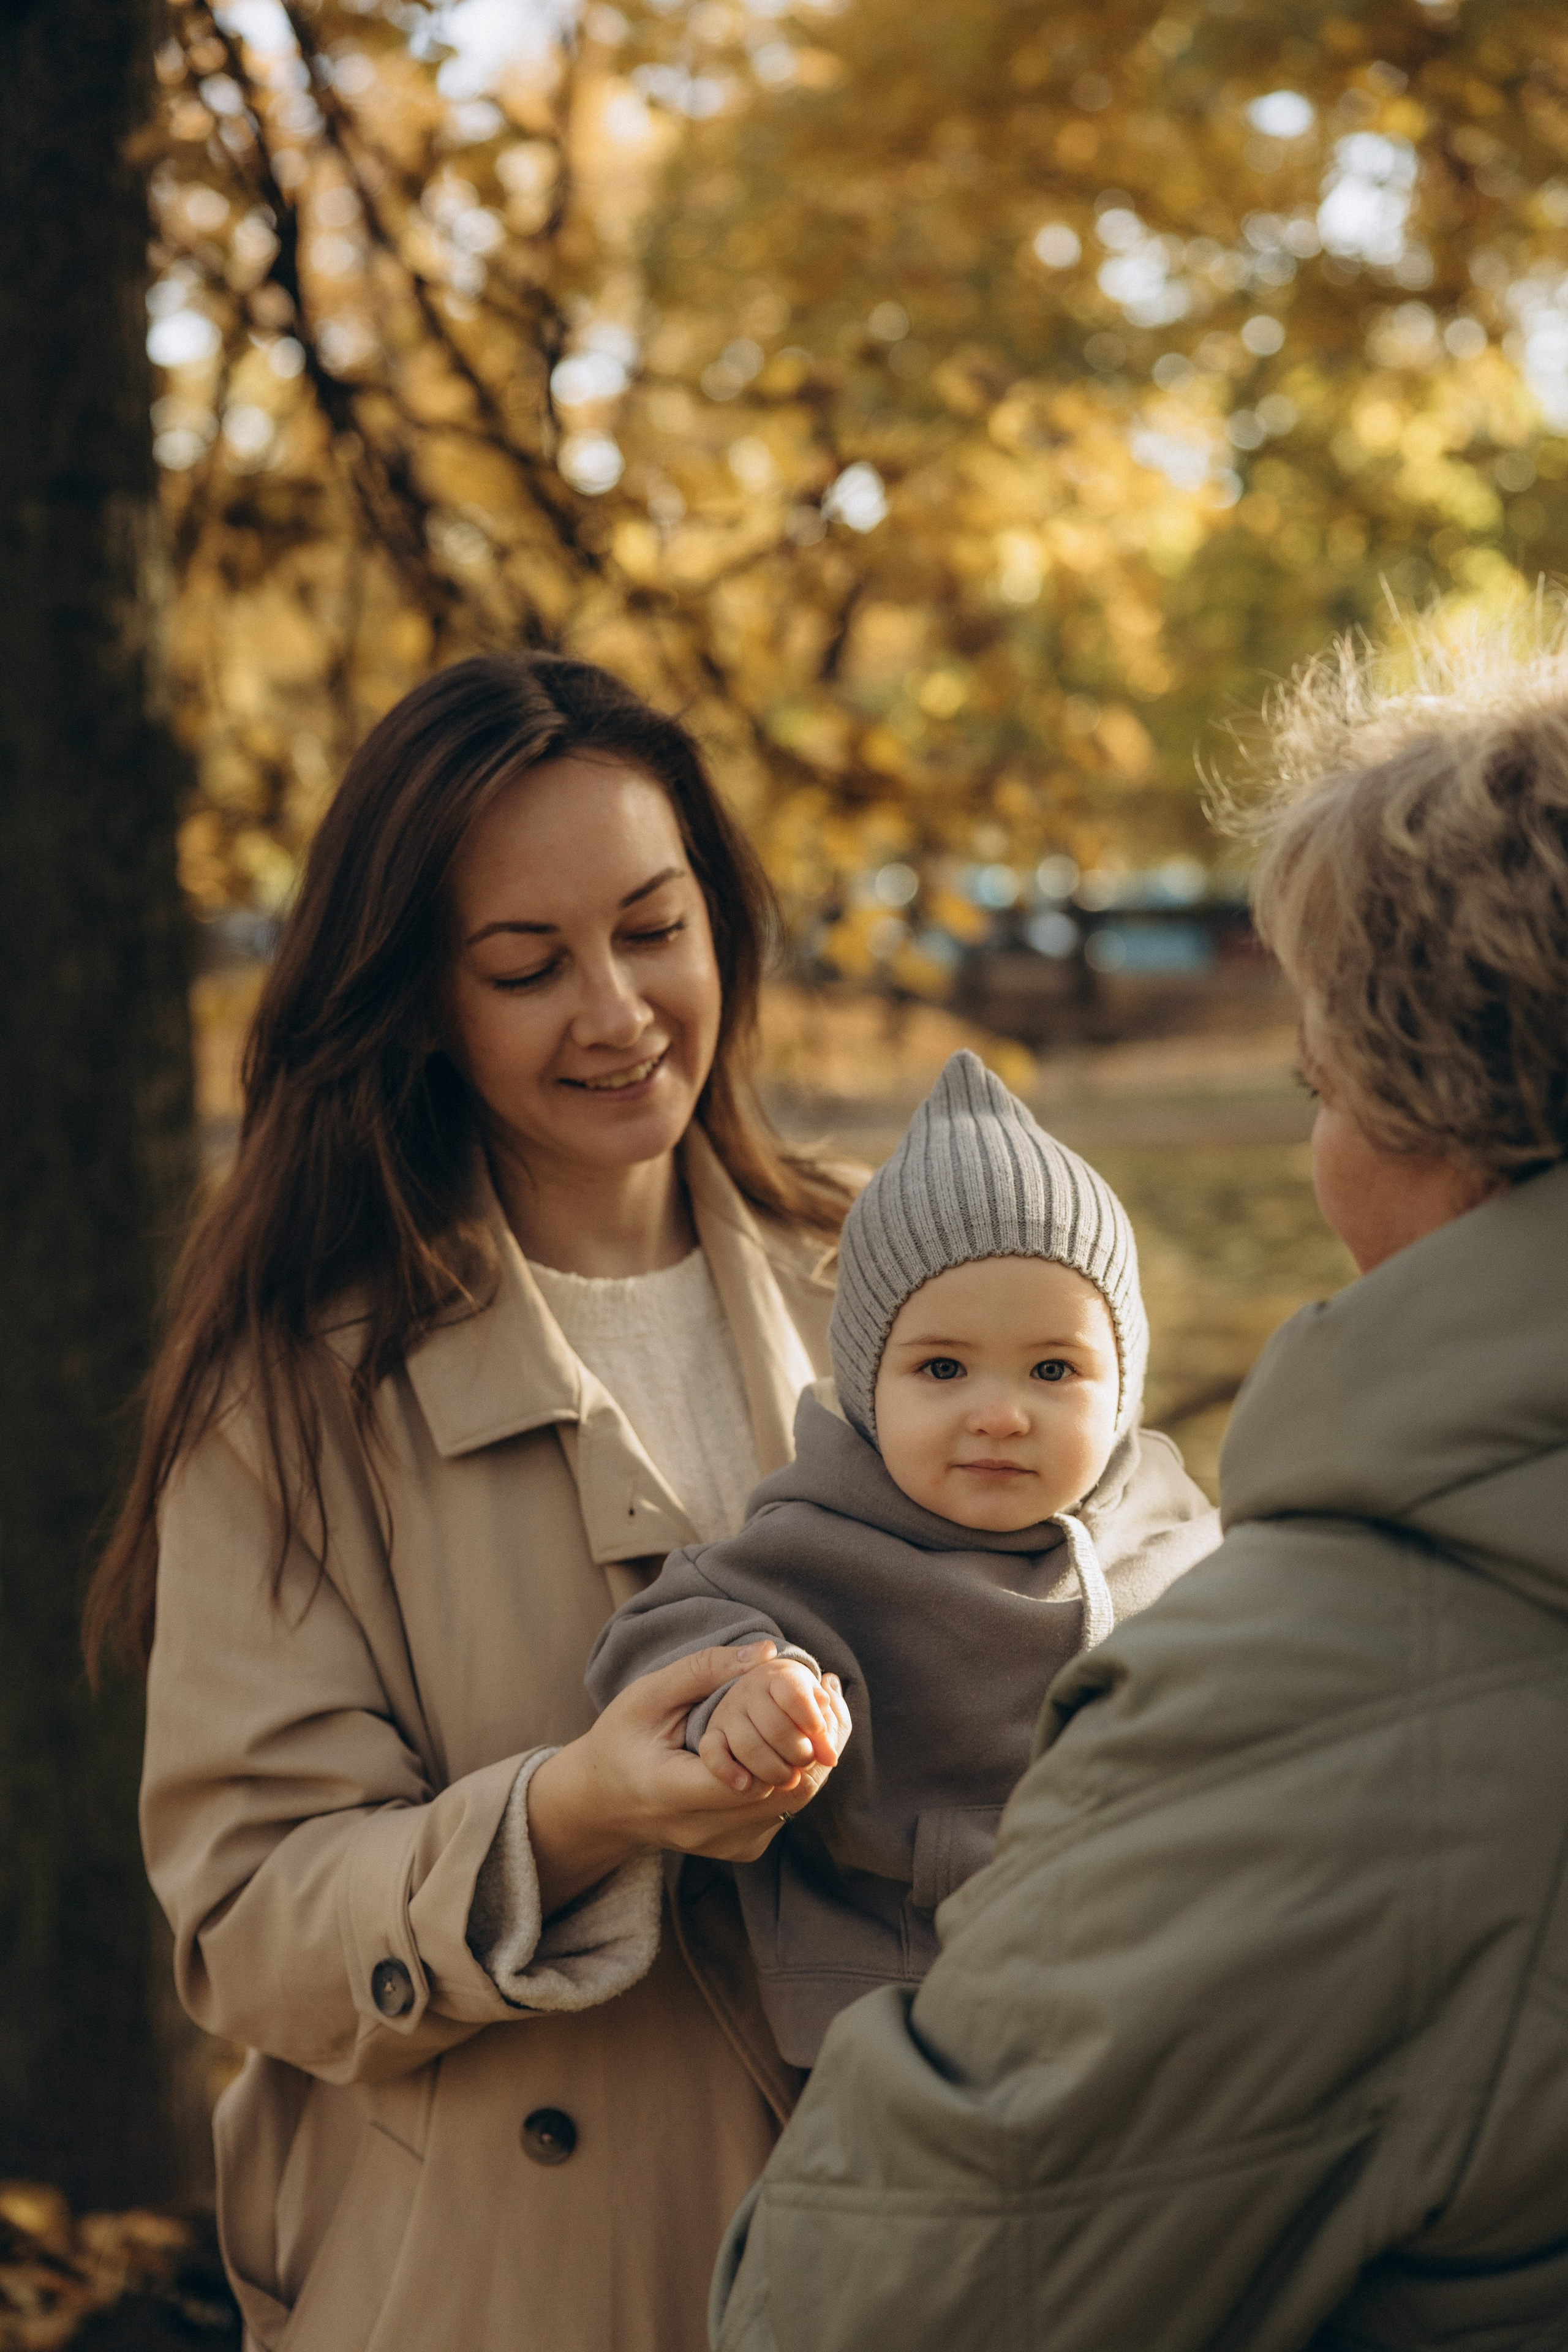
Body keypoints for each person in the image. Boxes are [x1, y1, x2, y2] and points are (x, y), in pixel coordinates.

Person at [710, 619, 1568, 2351]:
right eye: (941, 1369)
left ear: (1422, 1119)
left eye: (1319, 1084)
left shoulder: (1307, 1701)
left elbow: (862, 2299)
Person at [85, 652, 857, 2352]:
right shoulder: (295, 1391)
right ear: (425, 997)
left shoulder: (890, 1286)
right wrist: (574, 1816)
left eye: (656, 929)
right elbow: (248, 1917)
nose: (618, 1009)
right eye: (529, 966)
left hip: (901, 2248)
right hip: (506, 2287)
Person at [587, 1050, 1217, 2065]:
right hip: (901, 2007)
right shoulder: (821, 1543)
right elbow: (664, 1632)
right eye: (942, 1368)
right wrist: (745, 1699)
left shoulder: (1173, 1524)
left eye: (1055, 1369)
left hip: (1152, 1984)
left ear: (1125, 1386)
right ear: (871, 1386)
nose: (1001, 1413)